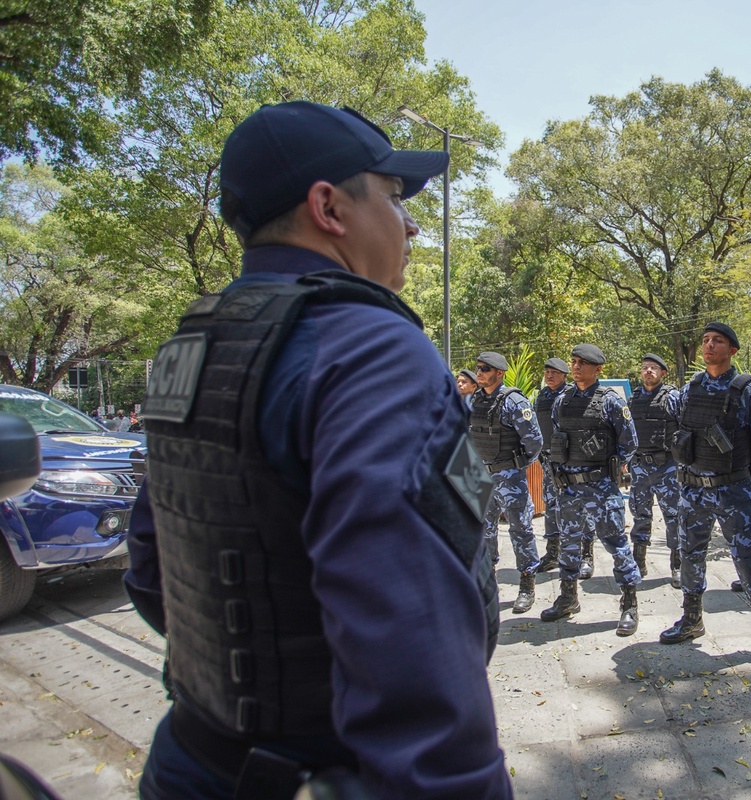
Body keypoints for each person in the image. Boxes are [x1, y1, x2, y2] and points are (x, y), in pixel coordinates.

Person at [125, 101, 511, 800]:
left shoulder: (189, 348)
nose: (412, 223)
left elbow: (157, 580)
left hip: (189, 759)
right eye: (394, 198)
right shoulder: (372, 350)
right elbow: (416, 661)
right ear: (329, 208)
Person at [659, 323, 751, 672]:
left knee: (749, 558)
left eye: (719, 341)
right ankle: (692, 619)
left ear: (733, 350)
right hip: (692, 489)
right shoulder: (689, 390)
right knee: (690, 555)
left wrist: (737, 475)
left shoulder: (749, 392)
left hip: (733, 490)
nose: (710, 346)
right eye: (706, 341)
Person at [540, 344, 642, 635]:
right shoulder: (563, 400)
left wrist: (609, 469)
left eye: (582, 363)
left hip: (600, 488)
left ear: (597, 369)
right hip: (569, 488)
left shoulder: (610, 401)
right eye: (573, 362)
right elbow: (559, 435)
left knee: (616, 545)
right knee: (569, 544)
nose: (575, 367)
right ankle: (568, 598)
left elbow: (629, 442)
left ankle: (629, 603)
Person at [470, 351, 543, 614]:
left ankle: (527, 584)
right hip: (482, 476)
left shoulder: (513, 402)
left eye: (485, 369)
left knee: (520, 529)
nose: (479, 372)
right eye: (478, 368)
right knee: (484, 530)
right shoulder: (475, 400)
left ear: (499, 374)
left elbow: (534, 442)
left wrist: (517, 465)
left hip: (509, 477)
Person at [627, 353, 683, 586]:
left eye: (653, 368)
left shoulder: (673, 398)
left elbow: (685, 430)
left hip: (667, 466)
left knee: (674, 517)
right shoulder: (633, 399)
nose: (648, 371)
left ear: (663, 373)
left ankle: (677, 566)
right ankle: (639, 562)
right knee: (640, 515)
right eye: (645, 368)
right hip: (640, 466)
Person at [533, 357, 570, 574]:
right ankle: (553, 553)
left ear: (564, 375)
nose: (549, 375)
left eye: (554, 372)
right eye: (547, 372)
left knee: (576, 507)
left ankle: (584, 554)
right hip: (548, 460)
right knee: (550, 506)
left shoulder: (570, 395)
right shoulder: (542, 396)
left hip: (569, 461)